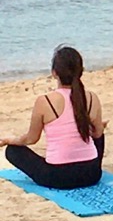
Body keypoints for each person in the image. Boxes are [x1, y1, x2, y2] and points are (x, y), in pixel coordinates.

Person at [0, 46, 105, 189]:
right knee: (99, 132)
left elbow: (31, 139)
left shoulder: (45, 101)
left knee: (13, 150)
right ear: (80, 71)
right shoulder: (92, 98)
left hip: (58, 176)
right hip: (91, 174)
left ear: (54, 73)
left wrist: (9, 140)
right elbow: (98, 134)